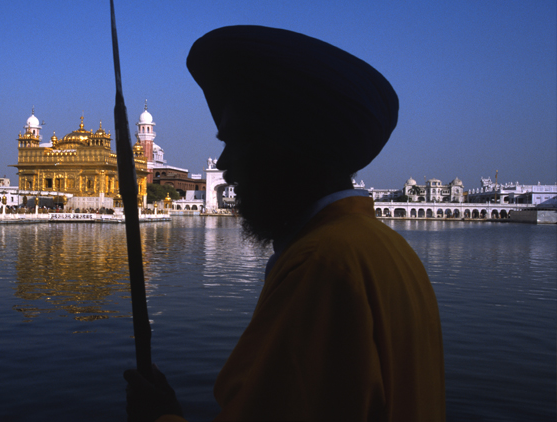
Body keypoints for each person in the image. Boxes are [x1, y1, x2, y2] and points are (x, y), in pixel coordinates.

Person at [124, 25, 445, 421]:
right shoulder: (387, 248)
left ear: (289, 148)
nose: (223, 165)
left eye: (237, 140)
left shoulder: (323, 264)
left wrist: (159, 418)